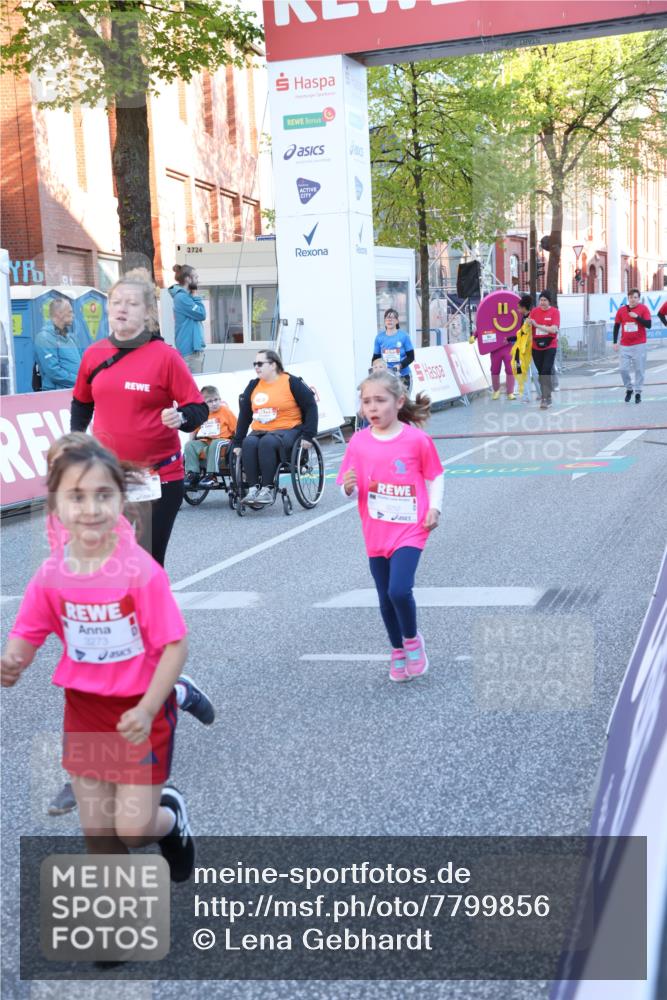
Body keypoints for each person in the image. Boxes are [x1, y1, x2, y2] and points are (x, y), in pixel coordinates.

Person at [1, 437, 196, 881]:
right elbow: (29, 628)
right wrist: (14, 658)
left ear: (121, 500)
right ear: (56, 504)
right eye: (76, 496)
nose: (90, 508)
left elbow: (175, 645)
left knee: (132, 830)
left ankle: (171, 818)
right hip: (85, 709)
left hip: (140, 712)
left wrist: (148, 709)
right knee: (99, 834)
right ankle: (114, 931)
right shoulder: (52, 572)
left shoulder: (140, 572)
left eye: (103, 495)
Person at [41, 433, 214, 819]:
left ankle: (173, 697)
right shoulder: (55, 513)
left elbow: (123, 569)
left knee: (127, 683)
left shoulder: (110, 520)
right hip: (84, 616)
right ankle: (86, 771)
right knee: (86, 685)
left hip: (122, 614)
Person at [70, 268, 209, 568]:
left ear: (146, 312)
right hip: (111, 477)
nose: (121, 308)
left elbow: (199, 408)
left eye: (131, 303)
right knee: (105, 562)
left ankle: (150, 614)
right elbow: (82, 403)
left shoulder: (165, 357)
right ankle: (116, 614)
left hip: (158, 477)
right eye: (116, 301)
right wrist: (75, 441)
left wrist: (181, 416)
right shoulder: (93, 355)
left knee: (147, 563)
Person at [337, 369, 443, 683]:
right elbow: (344, 484)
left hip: (411, 527)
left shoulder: (416, 439)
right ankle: (397, 649)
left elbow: (435, 475)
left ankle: (412, 640)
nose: (372, 407)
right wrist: (347, 487)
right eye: (366, 401)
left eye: (380, 400)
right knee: (384, 597)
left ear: (398, 402)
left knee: (399, 590)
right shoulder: (358, 442)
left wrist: (435, 507)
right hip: (376, 530)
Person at [232, 350, 318, 507]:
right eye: (254, 364)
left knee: (267, 442)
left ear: (273, 365)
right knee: (249, 443)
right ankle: (253, 488)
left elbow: (311, 406)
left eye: (260, 364)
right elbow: (244, 415)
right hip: (260, 429)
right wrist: (237, 442)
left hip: (288, 429)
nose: (256, 367)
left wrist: (309, 435)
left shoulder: (291, 382)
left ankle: (267, 488)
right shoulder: (253, 385)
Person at [184, 385, 237, 489]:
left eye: (216, 400)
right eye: (210, 401)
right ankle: (193, 474)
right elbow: (194, 431)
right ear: (203, 403)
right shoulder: (201, 413)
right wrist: (190, 444)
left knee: (215, 444)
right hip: (206, 441)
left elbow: (237, 427)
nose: (214, 403)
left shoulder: (225, 411)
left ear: (220, 399)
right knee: (189, 445)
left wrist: (237, 445)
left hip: (223, 442)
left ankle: (211, 475)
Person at [613, 288, 652, 403]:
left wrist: (637, 317)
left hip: (639, 344)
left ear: (638, 299)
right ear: (628, 298)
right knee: (623, 369)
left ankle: (638, 392)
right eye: (631, 297)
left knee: (639, 369)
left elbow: (648, 325)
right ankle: (629, 388)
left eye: (635, 297)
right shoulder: (621, 310)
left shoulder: (643, 309)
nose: (633, 300)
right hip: (625, 345)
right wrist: (615, 342)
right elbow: (616, 326)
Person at [34, 297, 81, 390]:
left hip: (74, 392)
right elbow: (53, 372)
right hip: (56, 396)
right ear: (59, 314)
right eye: (70, 312)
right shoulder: (44, 338)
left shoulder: (71, 338)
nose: (73, 315)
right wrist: (80, 381)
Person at [169, 264, 207, 373]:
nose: (197, 280)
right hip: (190, 353)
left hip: (194, 351)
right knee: (195, 386)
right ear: (187, 279)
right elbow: (202, 314)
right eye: (195, 277)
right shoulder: (182, 298)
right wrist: (195, 295)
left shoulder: (186, 296)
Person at [529, 290, 560, 409]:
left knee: (546, 370)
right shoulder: (534, 311)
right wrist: (528, 323)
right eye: (541, 300)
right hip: (536, 346)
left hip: (550, 345)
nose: (542, 302)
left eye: (544, 300)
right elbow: (529, 326)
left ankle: (545, 398)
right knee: (540, 373)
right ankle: (548, 395)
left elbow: (554, 329)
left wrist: (537, 325)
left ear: (549, 301)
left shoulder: (555, 312)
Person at [371, 308, 415, 388]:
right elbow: (375, 358)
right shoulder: (379, 338)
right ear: (384, 321)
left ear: (397, 321)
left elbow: (411, 357)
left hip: (403, 375)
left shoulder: (404, 336)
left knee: (403, 400)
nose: (389, 320)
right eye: (387, 318)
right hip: (386, 377)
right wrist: (375, 369)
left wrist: (400, 366)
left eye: (392, 318)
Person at [512, 294, 535, 403]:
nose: (517, 310)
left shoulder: (532, 317)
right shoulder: (523, 318)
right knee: (524, 372)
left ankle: (542, 394)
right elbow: (520, 334)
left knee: (535, 373)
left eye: (519, 307)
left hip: (533, 349)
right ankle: (526, 397)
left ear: (523, 307)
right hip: (523, 350)